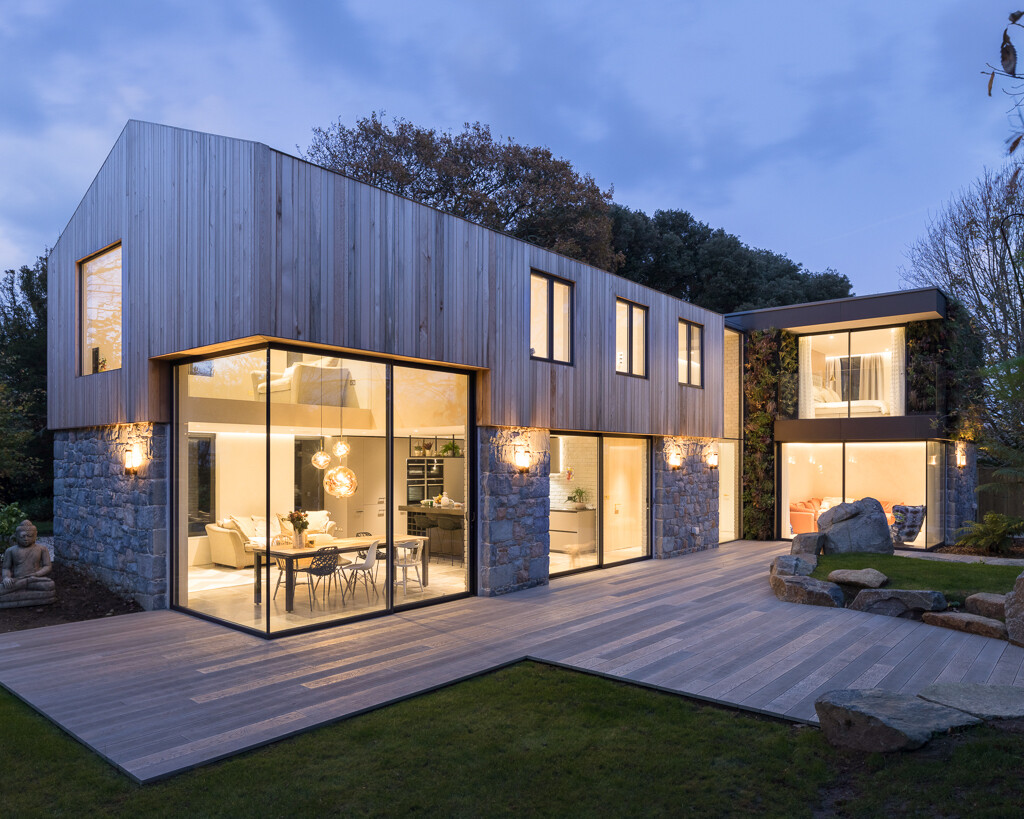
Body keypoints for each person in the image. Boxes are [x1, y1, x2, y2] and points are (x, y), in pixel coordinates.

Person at [0, 519, 54, 596]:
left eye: (29, 536)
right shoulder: (10, 550)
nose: (26, 538)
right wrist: (6, 578)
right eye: (23, 536)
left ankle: (20, 590)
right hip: (18, 580)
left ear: (35, 535)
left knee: (50, 585)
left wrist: (36, 574)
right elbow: (6, 568)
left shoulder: (42, 549)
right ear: (17, 535)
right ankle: (24, 587)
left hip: (35, 580)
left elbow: (48, 566)